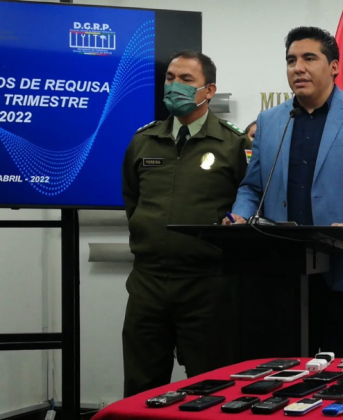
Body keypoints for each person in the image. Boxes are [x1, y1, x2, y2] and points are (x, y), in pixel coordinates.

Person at [224, 27, 343, 358]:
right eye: (291, 60)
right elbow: (253, 186)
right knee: (284, 378)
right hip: (282, 273)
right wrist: (239, 215)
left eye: (310, 58)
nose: (298, 68)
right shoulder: (270, 121)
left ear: (334, 66)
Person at [121, 50, 250, 397]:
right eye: (170, 78)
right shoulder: (144, 139)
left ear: (209, 90)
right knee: (140, 387)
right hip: (148, 283)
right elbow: (132, 200)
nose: (174, 85)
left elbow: (247, 203)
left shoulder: (233, 143)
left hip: (208, 285)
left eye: (186, 80)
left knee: (212, 389)